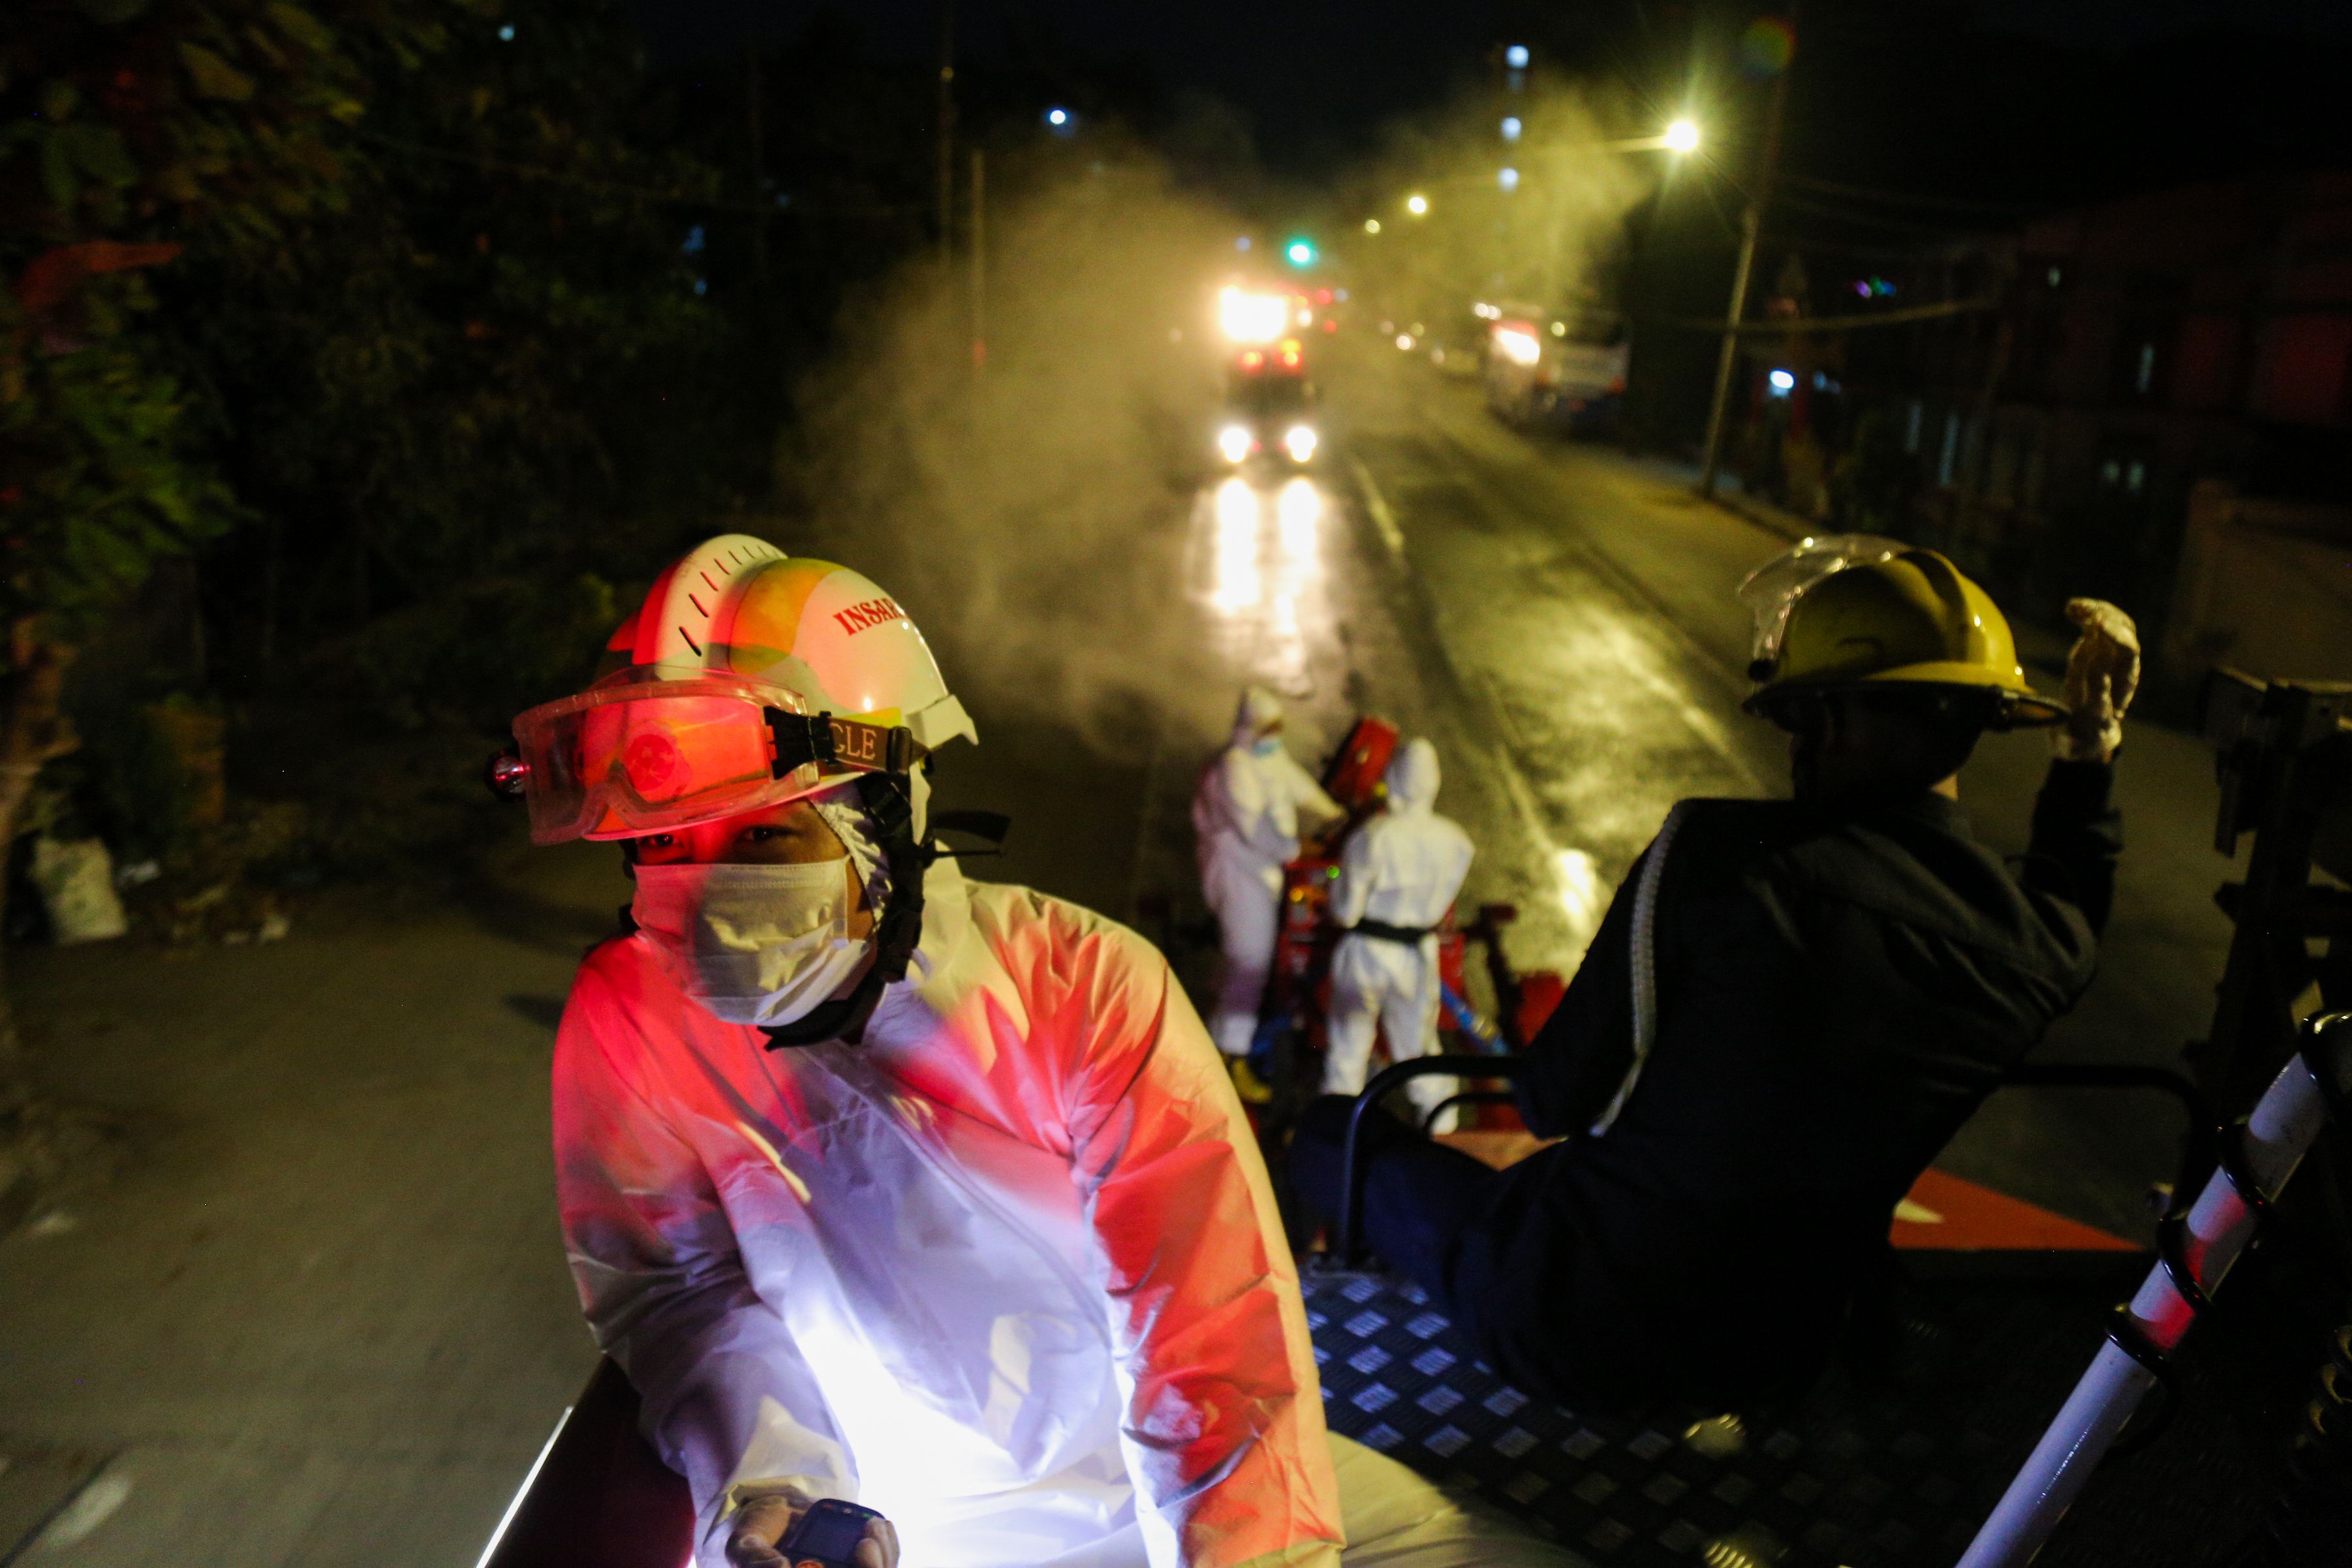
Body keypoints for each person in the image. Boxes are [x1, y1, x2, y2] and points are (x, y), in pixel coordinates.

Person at [518, 537, 1576, 1568]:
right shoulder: (631, 1012)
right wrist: (775, 1479)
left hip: (1156, 1487)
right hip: (883, 1520)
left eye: (760, 837)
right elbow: (678, 1290)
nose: (703, 902)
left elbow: (1207, 1351)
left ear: (883, 812)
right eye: (665, 844)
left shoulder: (1080, 988)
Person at [1292, 540, 2139, 1413]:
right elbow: (2072, 893)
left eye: (1798, 719)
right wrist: (2089, 752)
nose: (1793, 750)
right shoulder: (2036, 948)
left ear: (1837, 718)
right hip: (1774, 1350)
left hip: (1573, 1314)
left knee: (1330, 1132)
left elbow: (1555, 1100)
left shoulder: (1725, 857)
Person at [1190, 686, 1342, 1100]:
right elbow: (1255, 831)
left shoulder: (1267, 757)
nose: (1276, 734)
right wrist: (1303, 849)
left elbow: (1301, 788)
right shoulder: (1234, 768)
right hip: (1240, 878)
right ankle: (1229, 1061)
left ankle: (1224, 1043)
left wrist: (1338, 815)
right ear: (1251, 727)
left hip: (1262, 877)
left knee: (1249, 965)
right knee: (1250, 964)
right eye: (1269, 727)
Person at [1321, 738, 1475, 1129]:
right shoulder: (1458, 842)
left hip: (1365, 954)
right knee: (1419, 1048)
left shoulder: (1374, 836)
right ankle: (1442, 1129)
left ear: (1394, 778)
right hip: (1417, 957)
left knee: (1348, 1047)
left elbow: (1344, 911)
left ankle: (1339, 1136)